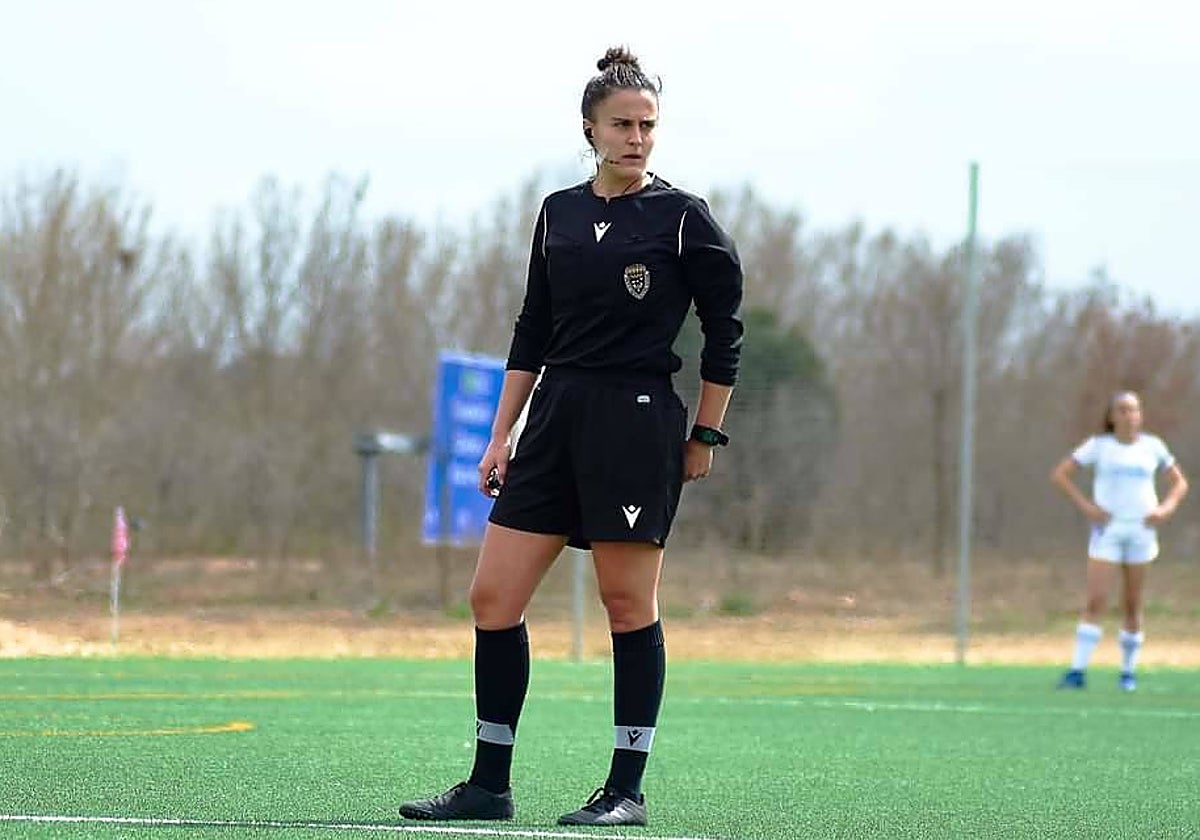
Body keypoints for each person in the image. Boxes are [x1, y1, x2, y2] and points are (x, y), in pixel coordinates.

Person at [397, 46, 743, 827]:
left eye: (648, 125)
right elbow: (533, 329)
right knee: (493, 596)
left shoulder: (685, 219)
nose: (637, 137)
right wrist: (500, 434)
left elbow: (726, 331)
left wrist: (706, 434)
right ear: (589, 129)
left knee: (627, 604)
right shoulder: (556, 211)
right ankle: (488, 785)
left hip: (637, 421)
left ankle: (625, 789)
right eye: (622, 124)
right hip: (555, 417)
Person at [1050, 390, 1188, 692]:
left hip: (1140, 531)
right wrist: (1087, 507)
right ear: (1112, 416)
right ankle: (1078, 670)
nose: (1129, 416)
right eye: (1123, 410)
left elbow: (1179, 482)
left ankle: (1128, 672)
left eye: (1134, 410)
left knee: (1132, 603)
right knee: (1096, 599)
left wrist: (1166, 508)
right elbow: (1061, 474)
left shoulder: (1152, 447)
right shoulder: (1099, 446)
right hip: (1108, 532)